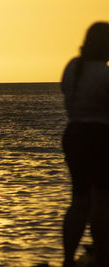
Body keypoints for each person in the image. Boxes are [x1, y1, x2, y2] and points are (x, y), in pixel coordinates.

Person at [61, 22, 109, 266]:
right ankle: (102, 255)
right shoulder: (104, 73)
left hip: (74, 135)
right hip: (100, 138)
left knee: (79, 201)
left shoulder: (72, 67)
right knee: (101, 200)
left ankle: (68, 259)